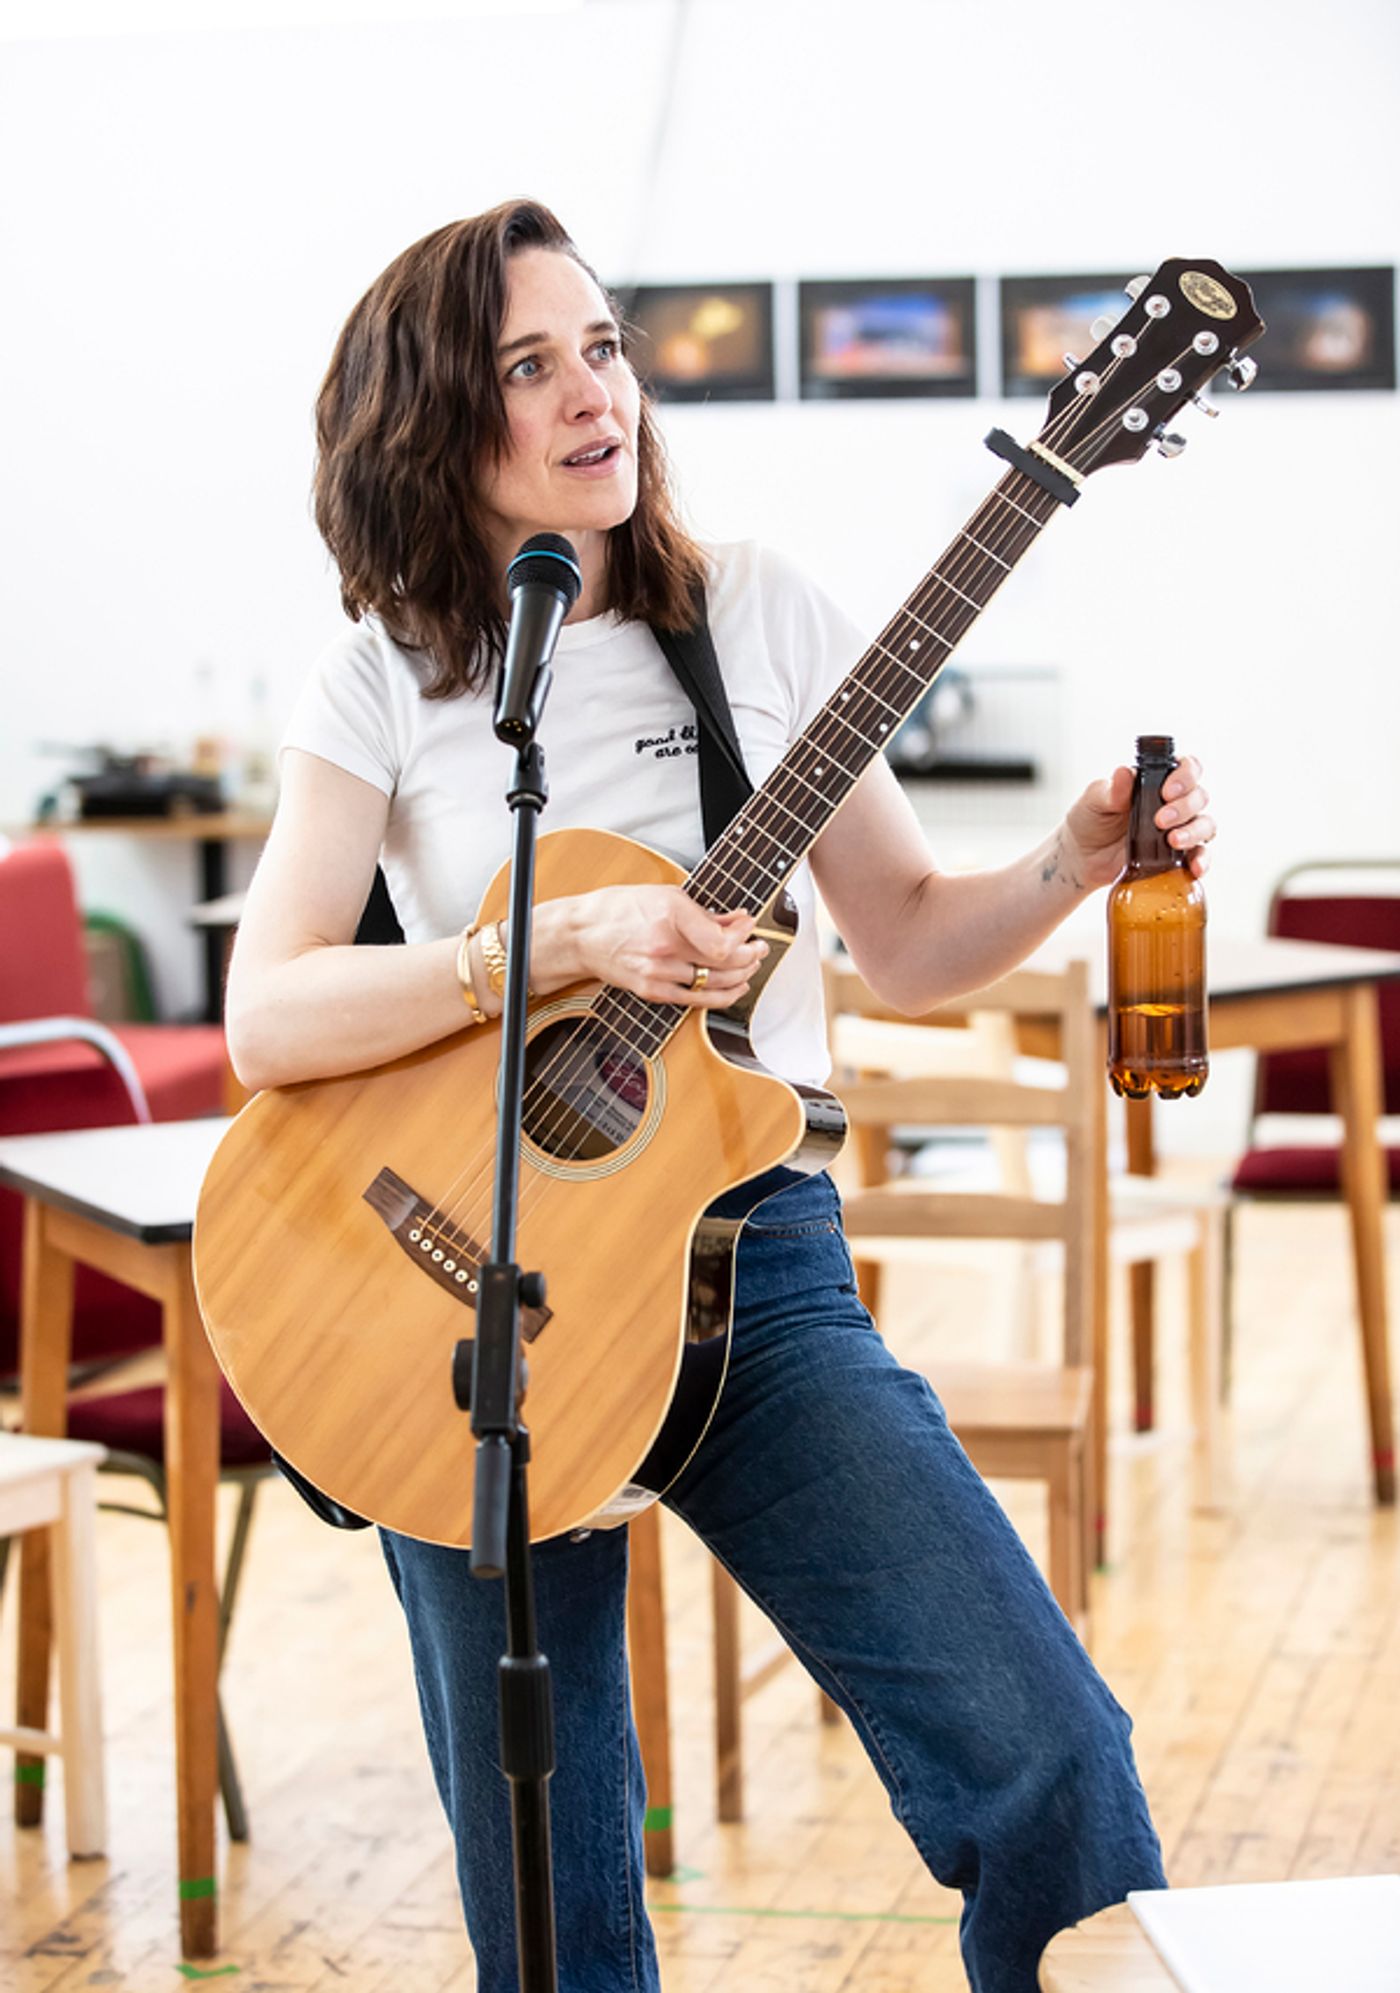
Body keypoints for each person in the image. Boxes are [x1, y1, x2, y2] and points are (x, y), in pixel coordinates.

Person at [227, 199, 1215, 1993]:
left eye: (602, 347)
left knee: (1051, 1755)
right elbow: (269, 1012)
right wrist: (545, 942)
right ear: (435, 415)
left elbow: (904, 942)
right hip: (478, 1294)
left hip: (753, 1274)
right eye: (530, 365)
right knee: (554, 1899)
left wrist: (1072, 865)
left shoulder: (760, 609)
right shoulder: (381, 677)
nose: (592, 394)